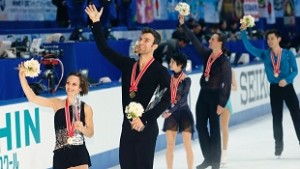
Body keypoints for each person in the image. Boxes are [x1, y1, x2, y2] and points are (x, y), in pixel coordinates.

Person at [85, 5, 171, 169]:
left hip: (146, 127)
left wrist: (144, 118)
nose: (142, 42)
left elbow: (168, 98)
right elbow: (104, 49)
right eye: (141, 39)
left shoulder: (160, 71)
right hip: (128, 127)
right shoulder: (127, 65)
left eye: (147, 40)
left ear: (154, 46)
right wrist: (96, 23)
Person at [179, 14, 232, 169]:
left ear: (220, 43)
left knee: (214, 129)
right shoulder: (207, 54)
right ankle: (208, 158)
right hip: (203, 95)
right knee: (201, 126)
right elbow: (194, 40)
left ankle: (216, 161)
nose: (209, 41)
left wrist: (222, 103)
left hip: (216, 96)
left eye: (213, 40)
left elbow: (227, 84)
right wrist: (183, 25)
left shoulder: (224, 62)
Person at [240, 24, 300, 157]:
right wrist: (243, 32)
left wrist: (288, 79)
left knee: (297, 116)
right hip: (275, 89)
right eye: (268, 39)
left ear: (278, 39)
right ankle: (278, 146)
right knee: (276, 118)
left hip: (288, 87)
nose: (269, 41)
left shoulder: (288, 54)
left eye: (272, 38)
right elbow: (249, 47)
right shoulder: (265, 54)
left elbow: (295, 70)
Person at [18, 66, 94, 169]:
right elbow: (33, 98)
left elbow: (90, 133)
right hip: (60, 155)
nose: (70, 87)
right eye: (68, 83)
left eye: (74, 84)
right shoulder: (56, 103)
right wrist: (22, 78)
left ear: (80, 88)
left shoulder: (86, 108)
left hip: (79, 153)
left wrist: (82, 129)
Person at [161, 52, 194, 169]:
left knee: (187, 144)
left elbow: (182, 100)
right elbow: (160, 96)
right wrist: (159, 110)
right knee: (170, 145)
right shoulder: (168, 79)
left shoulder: (186, 80)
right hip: (171, 114)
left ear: (180, 65)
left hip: (184, 113)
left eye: (172, 62)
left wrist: (170, 111)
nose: (170, 64)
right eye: (170, 62)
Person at [220, 69, 237, 165]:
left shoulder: (230, 71)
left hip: (225, 101)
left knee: (224, 127)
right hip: (213, 101)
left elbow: (235, 87)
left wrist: (227, 86)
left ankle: (224, 152)